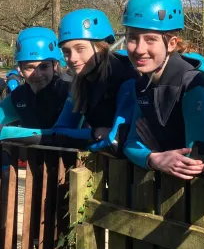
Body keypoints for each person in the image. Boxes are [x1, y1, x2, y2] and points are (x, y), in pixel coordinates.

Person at [0, 9, 139, 156]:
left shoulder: (125, 77)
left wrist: (85, 140)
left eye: (80, 49)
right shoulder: (80, 84)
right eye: (67, 52)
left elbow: (115, 142)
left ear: (100, 47)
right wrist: (93, 134)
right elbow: (59, 132)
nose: (72, 58)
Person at [122, 0, 204, 177]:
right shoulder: (142, 83)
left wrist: (156, 149)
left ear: (171, 43)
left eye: (150, 39)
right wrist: (154, 158)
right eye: (132, 38)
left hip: (203, 199)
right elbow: (130, 144)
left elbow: (196, 163)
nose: (139, 49)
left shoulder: (193, 85)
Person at [0, 27, 70, 166]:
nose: (37, 74)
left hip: (69, 168)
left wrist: (7, 132)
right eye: (29, 67)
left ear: (55, 65)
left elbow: (63, 134)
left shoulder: (67, 92)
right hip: (33, 169)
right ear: (20, 68)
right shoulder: (19, 96)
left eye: (44, 67)